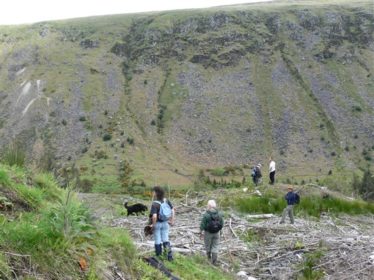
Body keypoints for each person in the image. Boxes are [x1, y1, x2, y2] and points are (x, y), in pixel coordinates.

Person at [149, 186, 175, 260]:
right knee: (165, 239)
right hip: (165, 222)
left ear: (156, 193)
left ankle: (159, 257)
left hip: (157, 223)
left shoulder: (155, 203)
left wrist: (153, 225)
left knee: (157, 239)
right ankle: (169, 256)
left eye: (153, 192)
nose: (152, 193)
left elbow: (154, 216)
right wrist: (172, 220)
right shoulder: (166, 200)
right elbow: (173, 210)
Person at [199, 200, 224, 265]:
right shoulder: (219, 214)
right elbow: (222, 224)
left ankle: (208, 258)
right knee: (215, 246)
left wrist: (201, 232)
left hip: (208, 233)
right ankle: (214, 261)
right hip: (217, 233)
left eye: (207, 205)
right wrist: (220, 231)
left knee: (208, 245)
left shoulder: (206, 214)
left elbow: (202, 224)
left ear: (209, 206)